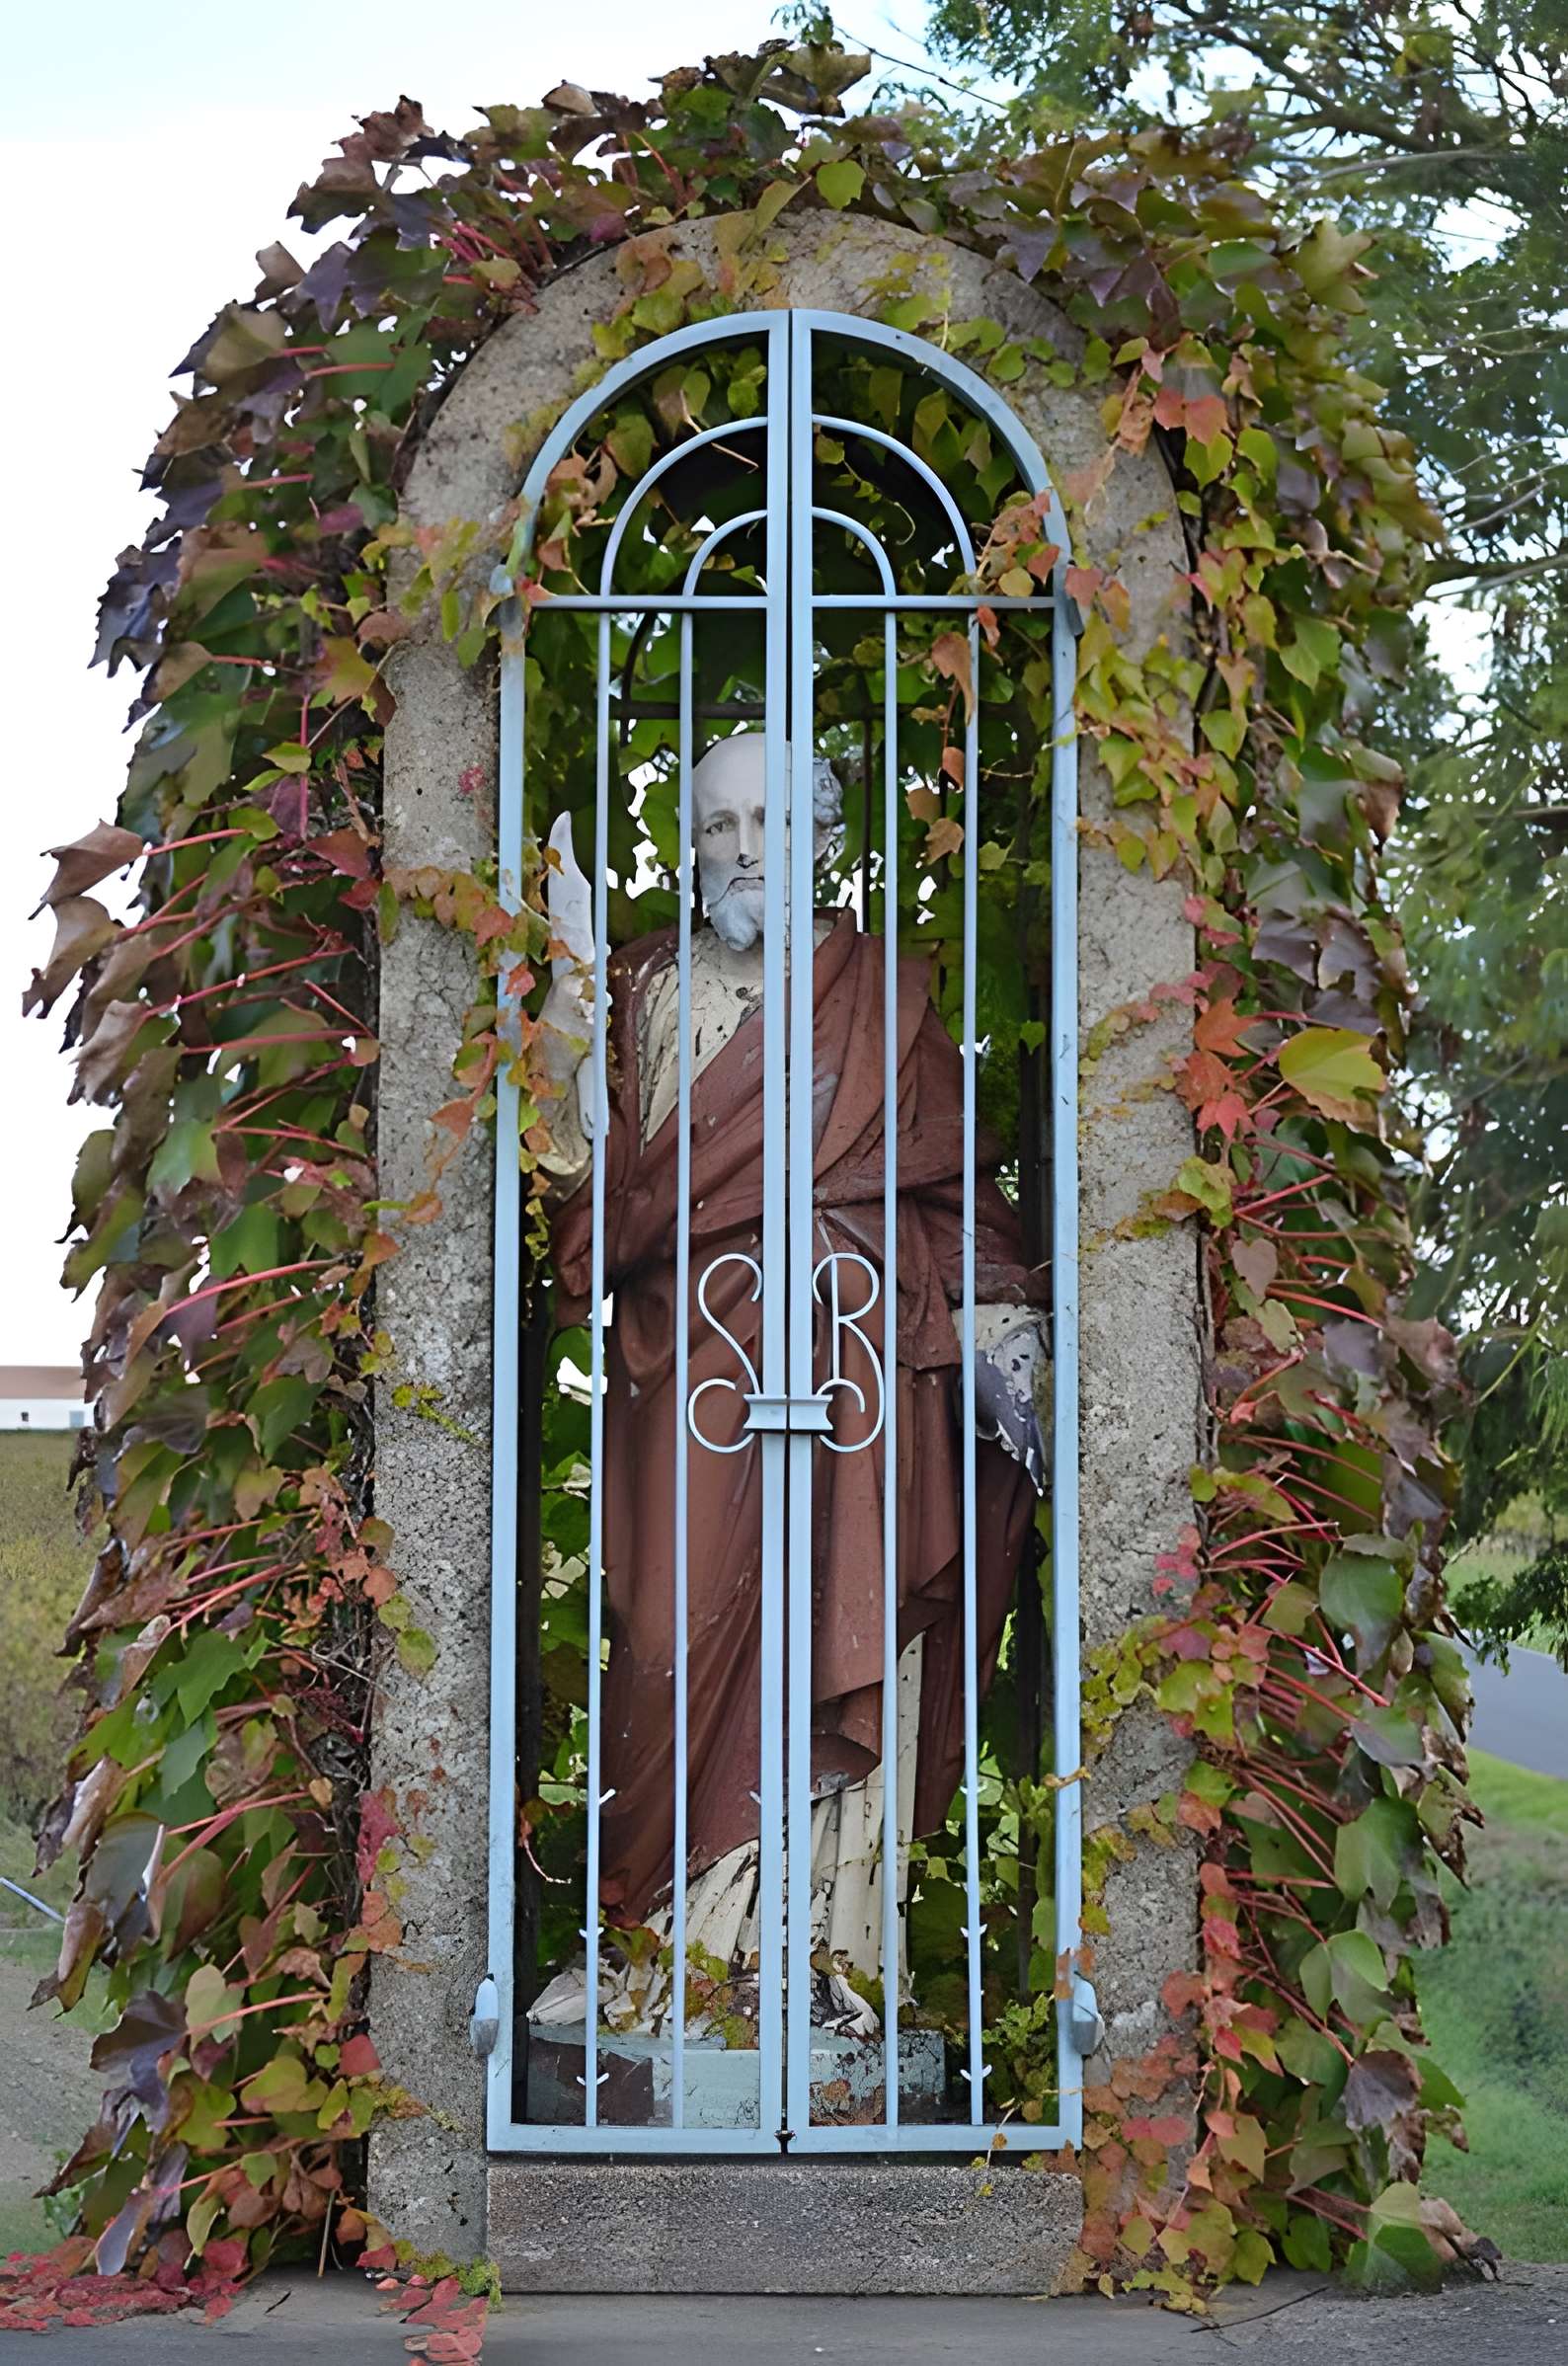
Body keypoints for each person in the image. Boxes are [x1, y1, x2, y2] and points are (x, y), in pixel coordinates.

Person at [529, 733, 1047, 2041]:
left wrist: (1001, 1337)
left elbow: (949, 1194)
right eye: (716, 826)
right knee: (662, 1641)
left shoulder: (885, 994)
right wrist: (564, 1017)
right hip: (687, 1376)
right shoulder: (641, 987)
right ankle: (661, 1961)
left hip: (859, 1384)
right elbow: (579, 1187)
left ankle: (823, 1968)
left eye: (768, 821)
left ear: (821, 837)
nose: (742, 849)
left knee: (848, 1630)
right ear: (689, 846)